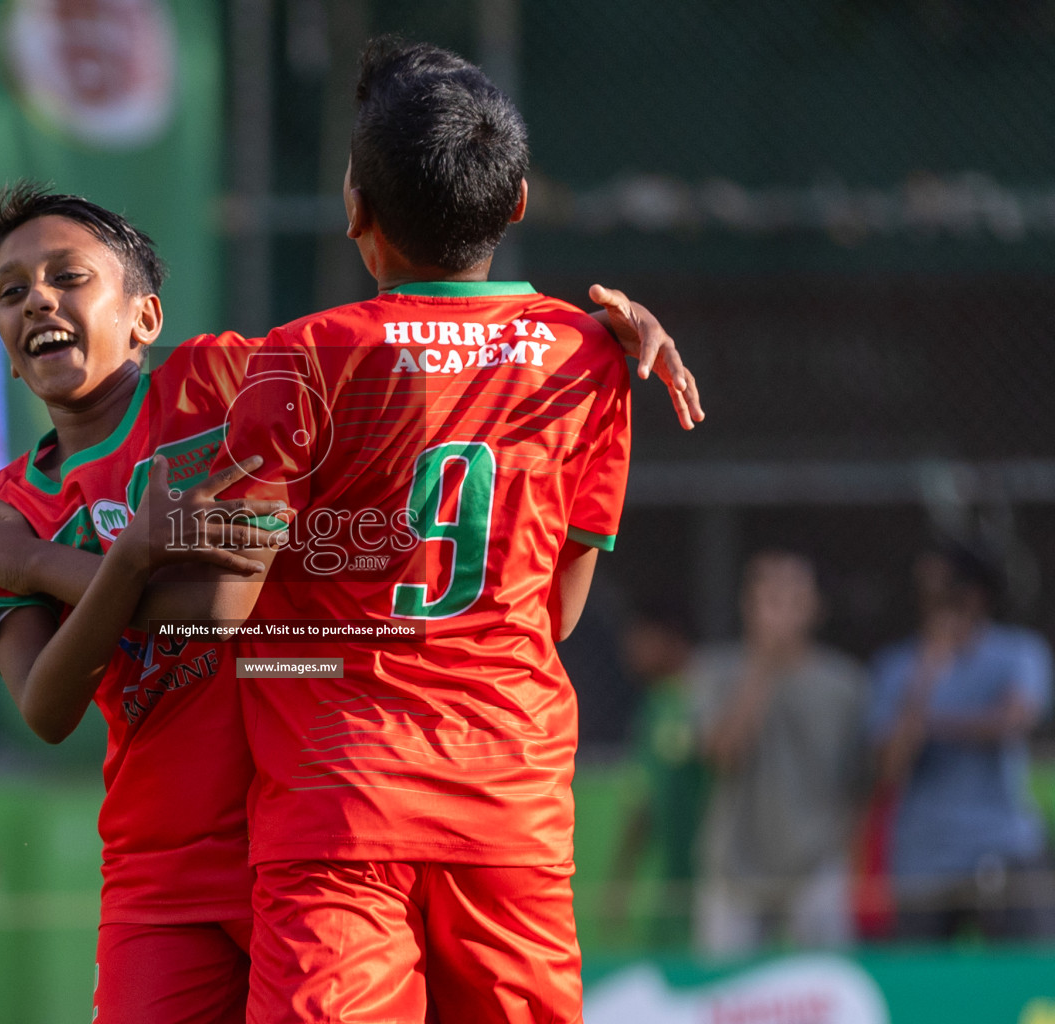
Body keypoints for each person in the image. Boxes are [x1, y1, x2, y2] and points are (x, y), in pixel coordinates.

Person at [0, 180, 698, 1021]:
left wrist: (583, 346)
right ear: (5, 345)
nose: (39, 297)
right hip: (162, 872)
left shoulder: (223, 382)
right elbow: (46, 705)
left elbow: (234, 593)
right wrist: (106, 559)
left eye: (68, 276)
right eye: (12, 291)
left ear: (146, 318)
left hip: (305, 841)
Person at [194, 37, 662, 1022]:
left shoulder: (299, 357)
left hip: (338, 805)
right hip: (509, 802)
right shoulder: (592, 354)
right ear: (519, 200)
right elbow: (560, 614)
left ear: (356, 206)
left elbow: (224, 611)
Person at [871, 540, 1055, 941]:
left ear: (977, 595)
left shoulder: (1018, 652)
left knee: (1027, 979)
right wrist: (927, 673)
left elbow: (1014, 721)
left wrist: (931, 724)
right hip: (922, 857)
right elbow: (888, 769)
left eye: (950, 591)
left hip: (1003, 845)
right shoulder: (898, 666)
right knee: (921, 990)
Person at [687, 551, 868, 956]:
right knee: (726, 999)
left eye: (793, 597)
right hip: (734, 866)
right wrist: (763, 665)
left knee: (827, 992)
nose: (780, 610)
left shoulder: (844, 685)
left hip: (817, 865)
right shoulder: (713, 670)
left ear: (816, 608)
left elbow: (860, 785)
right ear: (748, 605)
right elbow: (722, 754)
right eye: (770, 596)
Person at [604, 597, 706, 949]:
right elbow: (644, 802)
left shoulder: (706, 695)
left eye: (640, 636)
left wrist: (620, 881)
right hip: (676, 887)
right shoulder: (655, 704)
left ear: (669, 638)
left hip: (726, 876)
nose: (630, 648)